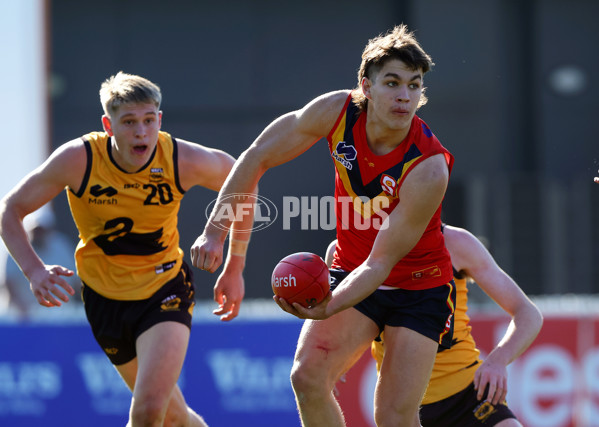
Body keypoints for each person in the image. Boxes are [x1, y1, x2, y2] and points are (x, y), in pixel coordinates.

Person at [193, 25, 455, 427]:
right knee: (307, 378)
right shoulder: (335, 112)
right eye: (392, 82)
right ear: (365, 87)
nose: (404, 95)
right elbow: (256, 156)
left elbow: (380, 265)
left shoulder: (429, 167)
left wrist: (326, 305)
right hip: (353, 267)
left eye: (414, 85)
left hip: (418, 287)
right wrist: (215, 230)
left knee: (393, 417)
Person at [0, 72, 253, 427]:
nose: (142, 132)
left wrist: (228, 254)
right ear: (108, 125)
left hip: (165, 290)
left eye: (149, 121)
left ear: (159, 120)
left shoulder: (180, 159)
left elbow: (244, 180)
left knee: (148, 411)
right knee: (173, 417)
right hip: (105, 300)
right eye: (129, 122)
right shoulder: (79, 160)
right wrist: (34, 271)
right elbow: (10, 210)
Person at [326, 223, 543, 427]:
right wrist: (331, 362)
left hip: (469, 395)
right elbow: (337, 319)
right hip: (401, 405)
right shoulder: (346, 250)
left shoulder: (456, 242)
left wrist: (498, 360)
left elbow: (528, 314)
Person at [2, 204, 79, 319]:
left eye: (41, 230)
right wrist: (23, 312)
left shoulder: (62, 246)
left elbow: (76, 282)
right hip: (25, 318)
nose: (38, 234)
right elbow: (9, 283)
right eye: (35, 230)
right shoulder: (15, 248)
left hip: (61, 317)